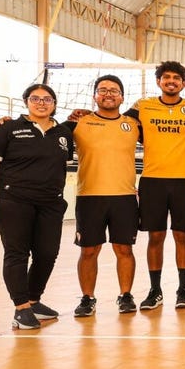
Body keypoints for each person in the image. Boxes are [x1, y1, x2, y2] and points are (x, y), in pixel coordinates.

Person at [0, 84, 74, 329]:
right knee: (17, 253)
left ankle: (33, 300)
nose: (41, 103)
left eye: (47, 99)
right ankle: (21, 308)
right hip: (12, 200)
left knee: (47, 253)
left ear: (54, 103)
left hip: (50, 202)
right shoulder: (8, 128)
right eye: (35, 98)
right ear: (26, 101)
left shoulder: (63, 133)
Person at [124, 61, 185, 310]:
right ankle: (155, 290)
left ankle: (183, 290)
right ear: (159, 81)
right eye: (166, 77)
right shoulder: (143, 106)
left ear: (184, 83)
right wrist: (82, 116)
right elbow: (116, 122)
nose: (171, 81)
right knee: (156, 236)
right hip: (153, 181)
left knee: (182, 235)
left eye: (176, 78)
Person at [66, 76, 140, 317]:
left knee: (124, 249)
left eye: (114, 91)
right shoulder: (78, 122)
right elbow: (43, 130)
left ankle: (125, 295)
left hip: (124, 197)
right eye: (103, 90)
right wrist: (4, 122)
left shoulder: (133, 124)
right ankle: (87, 298)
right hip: (90, 196)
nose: (108, 94)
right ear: (95, 96)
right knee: (88, 251)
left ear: (122, 97)